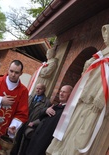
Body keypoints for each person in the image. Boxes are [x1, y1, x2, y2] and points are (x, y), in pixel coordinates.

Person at [47, 24, 109, 155]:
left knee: (82, 138)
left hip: (97, 105)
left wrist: (100, 98)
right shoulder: (101, 55)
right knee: (70, 133)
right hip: (83, 100)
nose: (106, 36)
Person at [25, 85, 72, 155]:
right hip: (36, 139)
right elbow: (40, 116)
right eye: (61, 91)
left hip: (44, 144)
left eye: (64, 92)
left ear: (70, 95)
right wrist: (45, 110)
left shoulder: (67, 111)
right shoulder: (55, 106)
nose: (61, 94)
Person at [10, 83, 51, 155]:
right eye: (37, 88)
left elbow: (44, 118)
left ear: (44, 90)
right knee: (16, 141)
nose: (38, 90)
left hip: (32, 127)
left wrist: (34, 123)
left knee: (25, 145)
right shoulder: (29, 97)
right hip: (23, 123)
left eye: (40, 89)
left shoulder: (47, 102)